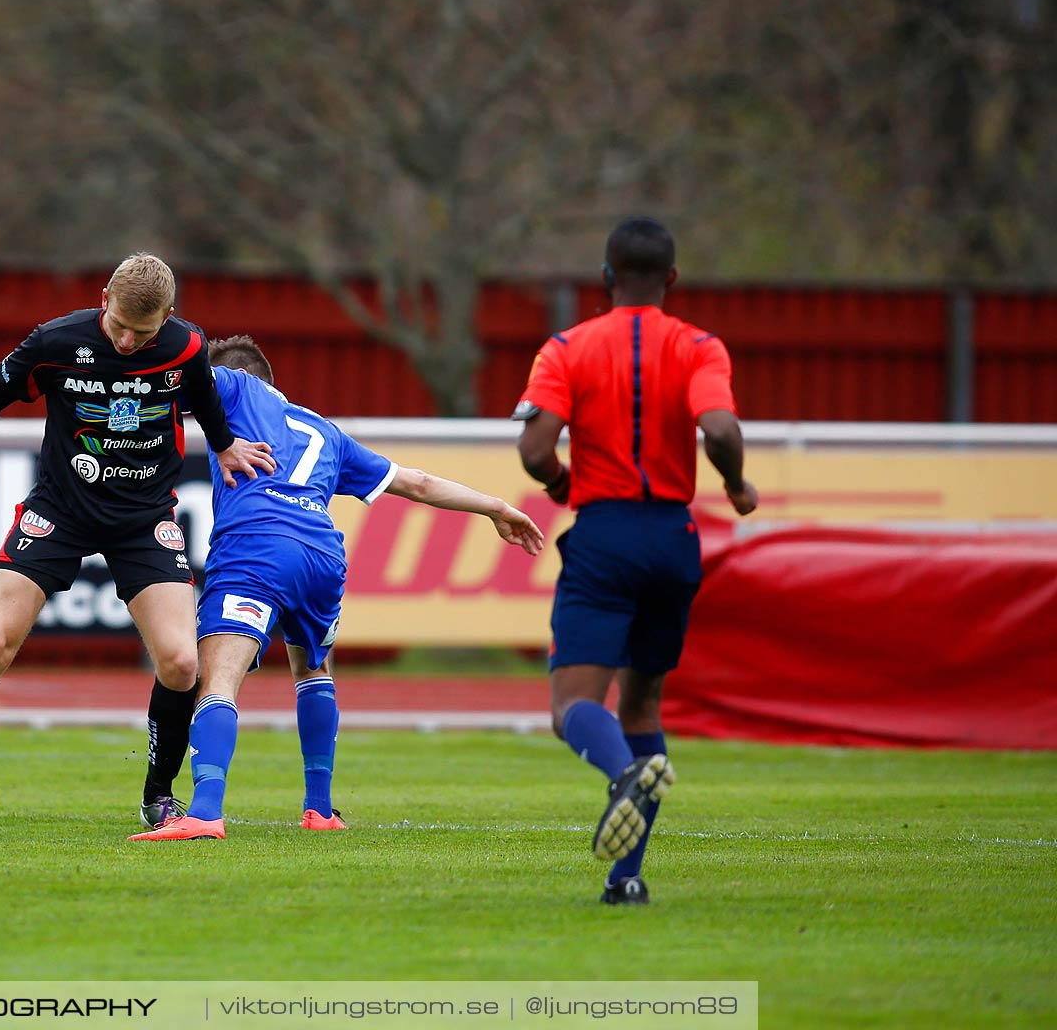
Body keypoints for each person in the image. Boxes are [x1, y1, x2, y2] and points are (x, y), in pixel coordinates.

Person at [0, 254, 276, 838]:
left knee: (180, 661)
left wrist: (224, 446)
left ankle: (158, 797)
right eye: (118, 323)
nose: (126, 339)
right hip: (59, 513)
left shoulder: (186, 347)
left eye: (142, 332)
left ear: (168, 318)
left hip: (143, 518)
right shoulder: (56, 341)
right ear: (104, 298)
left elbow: (204, 398)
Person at [131, 335, 545, 841]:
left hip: (256, 545)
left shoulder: (233, 387)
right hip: (323, 556)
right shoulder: (325, 431)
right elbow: (414, 482)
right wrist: (495, 507)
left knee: (219, 680)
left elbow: (182, 375)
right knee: (313, 673)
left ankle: (205, 812)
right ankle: (320, 809)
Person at [514, 217, 758, 905]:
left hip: (606, 534)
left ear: (606, 277)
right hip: (673, 537)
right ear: (672, 279)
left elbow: (535, 451)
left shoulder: (566, 348)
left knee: (573, 709)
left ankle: (622, 773)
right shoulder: (700, 346)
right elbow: (718, 427)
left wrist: (561, 485)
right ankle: (627, 880)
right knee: (643, 704)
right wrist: (736, 485)